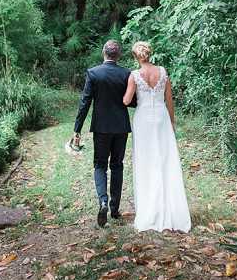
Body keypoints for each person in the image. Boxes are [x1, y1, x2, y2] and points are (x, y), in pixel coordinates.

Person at [123, 40, 191, 232]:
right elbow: (169, 100)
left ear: (136, 57)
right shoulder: (162, 71)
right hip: (161, 118)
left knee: (146, 161)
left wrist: (125, 95)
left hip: (143, 119)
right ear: (149, 54)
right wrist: (171, 122)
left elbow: (127, 100)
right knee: (165, 159)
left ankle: (150, 210)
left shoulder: (135, 75)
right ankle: (171, 209)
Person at [73, 39, 135, 227]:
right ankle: (115, 209)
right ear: (119, 55)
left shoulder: (93, 73)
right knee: (117, 165)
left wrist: (77, 129)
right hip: (121, 127)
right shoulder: (126, 74)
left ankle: (103, 201)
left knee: (100, 165)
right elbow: (131, 102)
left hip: (101, 128)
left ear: (103, 53)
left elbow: (85, 102)